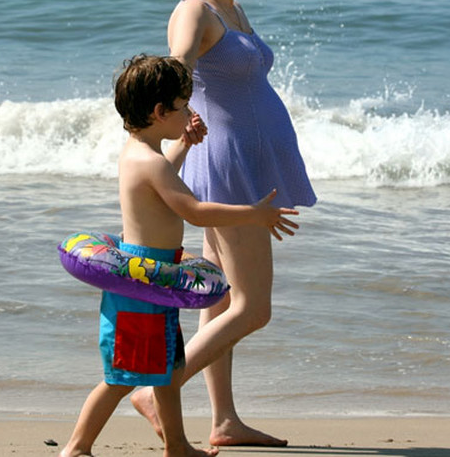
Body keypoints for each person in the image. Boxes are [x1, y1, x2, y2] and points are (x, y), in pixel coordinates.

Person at [131, 0, 317, 448]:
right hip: (230, 166)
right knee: (252, 307)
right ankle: (156, 389)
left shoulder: (227, 7)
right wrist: (174, 129)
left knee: (218, 296)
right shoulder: (195, 11)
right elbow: (175, 74)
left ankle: (224, 420)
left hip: (246, 161)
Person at [60, 54, 299, 457]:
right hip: (140, 287)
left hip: (154, 282)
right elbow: (193, 209)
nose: (190, 111)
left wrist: (184, 145)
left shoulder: (140, 152)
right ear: (159, 111)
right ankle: (76, 447)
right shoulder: (148, 162)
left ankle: (177, 446)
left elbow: (164, 181)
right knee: (121, 378)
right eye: (183, 105)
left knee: (169, 373)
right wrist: (253, 214)